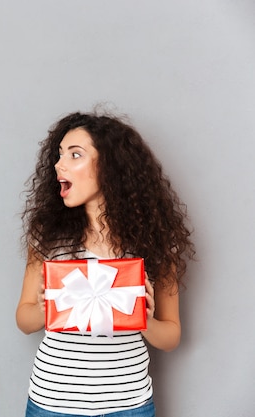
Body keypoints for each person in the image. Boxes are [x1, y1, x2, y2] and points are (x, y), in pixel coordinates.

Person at [16, 111, 195, 417]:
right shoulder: (49, 239)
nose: (59, 164)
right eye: (60, 155)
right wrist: (48, 307)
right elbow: (24, 319)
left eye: (75, 155)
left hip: (128, 406)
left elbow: (171, 336)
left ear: (110, 167)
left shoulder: (155, 243)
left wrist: (144, 320)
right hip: (52, 404)